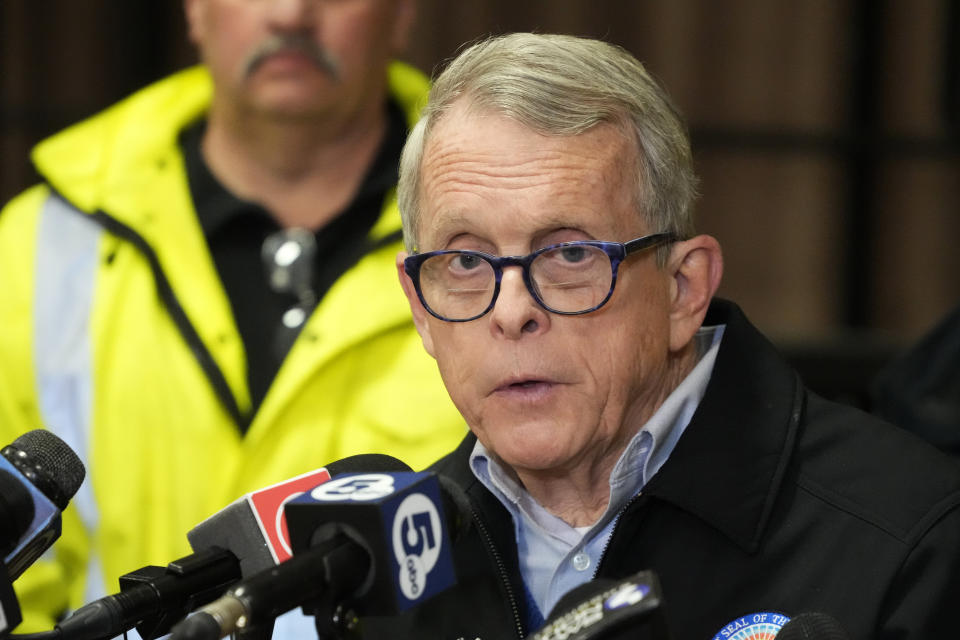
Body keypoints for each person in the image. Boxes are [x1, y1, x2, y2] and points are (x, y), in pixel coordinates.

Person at [375, 32, 960, 639]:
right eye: (467, 263)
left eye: (571, 254)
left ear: (683, 288)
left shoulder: (913, 540)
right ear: (420, 305)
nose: (513, 310)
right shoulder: (373, 577)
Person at [0, 0, 465, 632]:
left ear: (405, 13)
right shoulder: (33, 248)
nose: (292, 14)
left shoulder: (501, 245)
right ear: (193, 11)